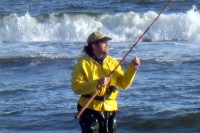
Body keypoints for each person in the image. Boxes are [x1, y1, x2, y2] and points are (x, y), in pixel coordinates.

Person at [71, 31, 140, 133]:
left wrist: (132, 69)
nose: (107, 44)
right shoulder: (83, 64)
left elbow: (124, 84)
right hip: (89, 108)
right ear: (94, 45)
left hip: (110, 108)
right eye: (104, 42)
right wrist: (97, 83)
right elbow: (76, 87)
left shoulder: (113, 62)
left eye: (107, 42)